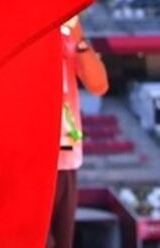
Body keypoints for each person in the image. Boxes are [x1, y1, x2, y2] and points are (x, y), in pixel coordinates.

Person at [50, 14, 108, 248]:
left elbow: (99, 85)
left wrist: (79, 37)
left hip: (64, 157)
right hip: (28, 158)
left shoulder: (68, 39)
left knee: (62, 240)